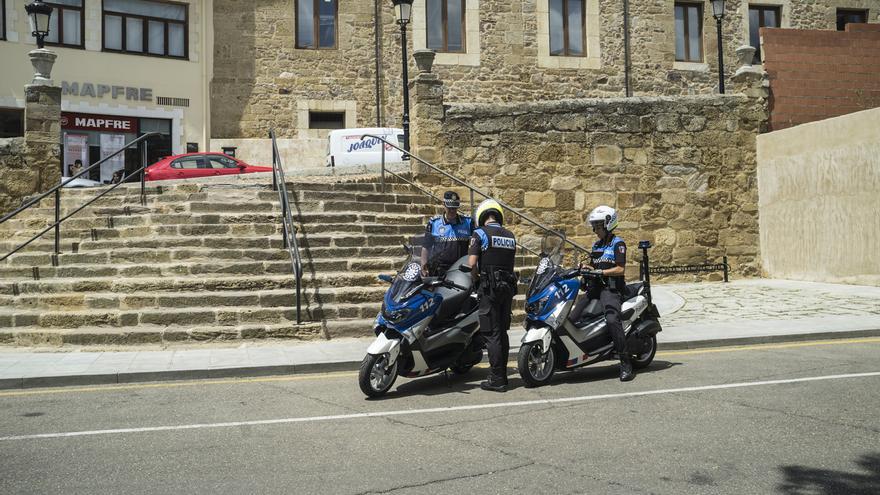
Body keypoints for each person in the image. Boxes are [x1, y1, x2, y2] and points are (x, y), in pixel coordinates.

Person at [467, 199, 518, 392]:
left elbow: (472, 263)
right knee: (502, 333)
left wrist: (476, 278)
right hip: (507, 289)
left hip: (489, 289)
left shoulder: (479, 234)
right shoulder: (510, 236)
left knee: (491, 333)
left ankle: (497, 379)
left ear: (481, 216)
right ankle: (502, 375)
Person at [580, 205, 634, 382]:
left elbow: (620, 269)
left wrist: (602, 273)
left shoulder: (618, 244)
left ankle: (625, 362)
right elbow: (595, 265)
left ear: (608, 224)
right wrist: (588, 268)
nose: (595, 229)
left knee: (612, 319)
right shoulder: (597, 245)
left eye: (598, 225)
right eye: (594, 225)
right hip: (595, 288)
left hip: (610, 290)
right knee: (574, 315)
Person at [420, 191, 473, 277]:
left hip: (460, 270)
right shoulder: (434, 223)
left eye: (455, 208)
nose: (452, 211)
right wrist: (423, 265)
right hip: (439, 270)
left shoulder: (468, 222)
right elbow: (426, 247)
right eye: (450, 208)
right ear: (444, 204)